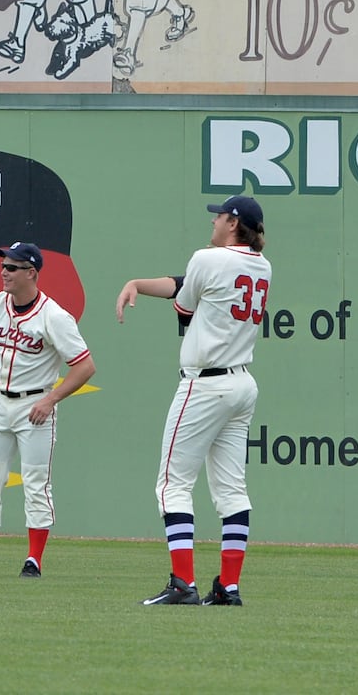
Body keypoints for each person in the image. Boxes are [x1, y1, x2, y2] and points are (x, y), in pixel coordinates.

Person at [117, 195, 271, 606]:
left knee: (172, 484)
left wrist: (152, 290)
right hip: (241, 384)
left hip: (204, 385)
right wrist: (139, 283)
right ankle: (229, 586)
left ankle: (183, 583)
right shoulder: (261, 264)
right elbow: (186, 286)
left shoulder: (208, 257)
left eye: (220, 215)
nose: (215, 220)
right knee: (232, 491)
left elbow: (184, 305)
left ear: (233, 222)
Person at [0, 242, 93, 579]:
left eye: (12, 268)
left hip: (35, 405)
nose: (4, 273)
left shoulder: (54, 316)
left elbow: (85, 367)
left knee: (36, 483)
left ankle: (34, 560)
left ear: (32, 272)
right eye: (3, 266)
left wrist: (50, 400)